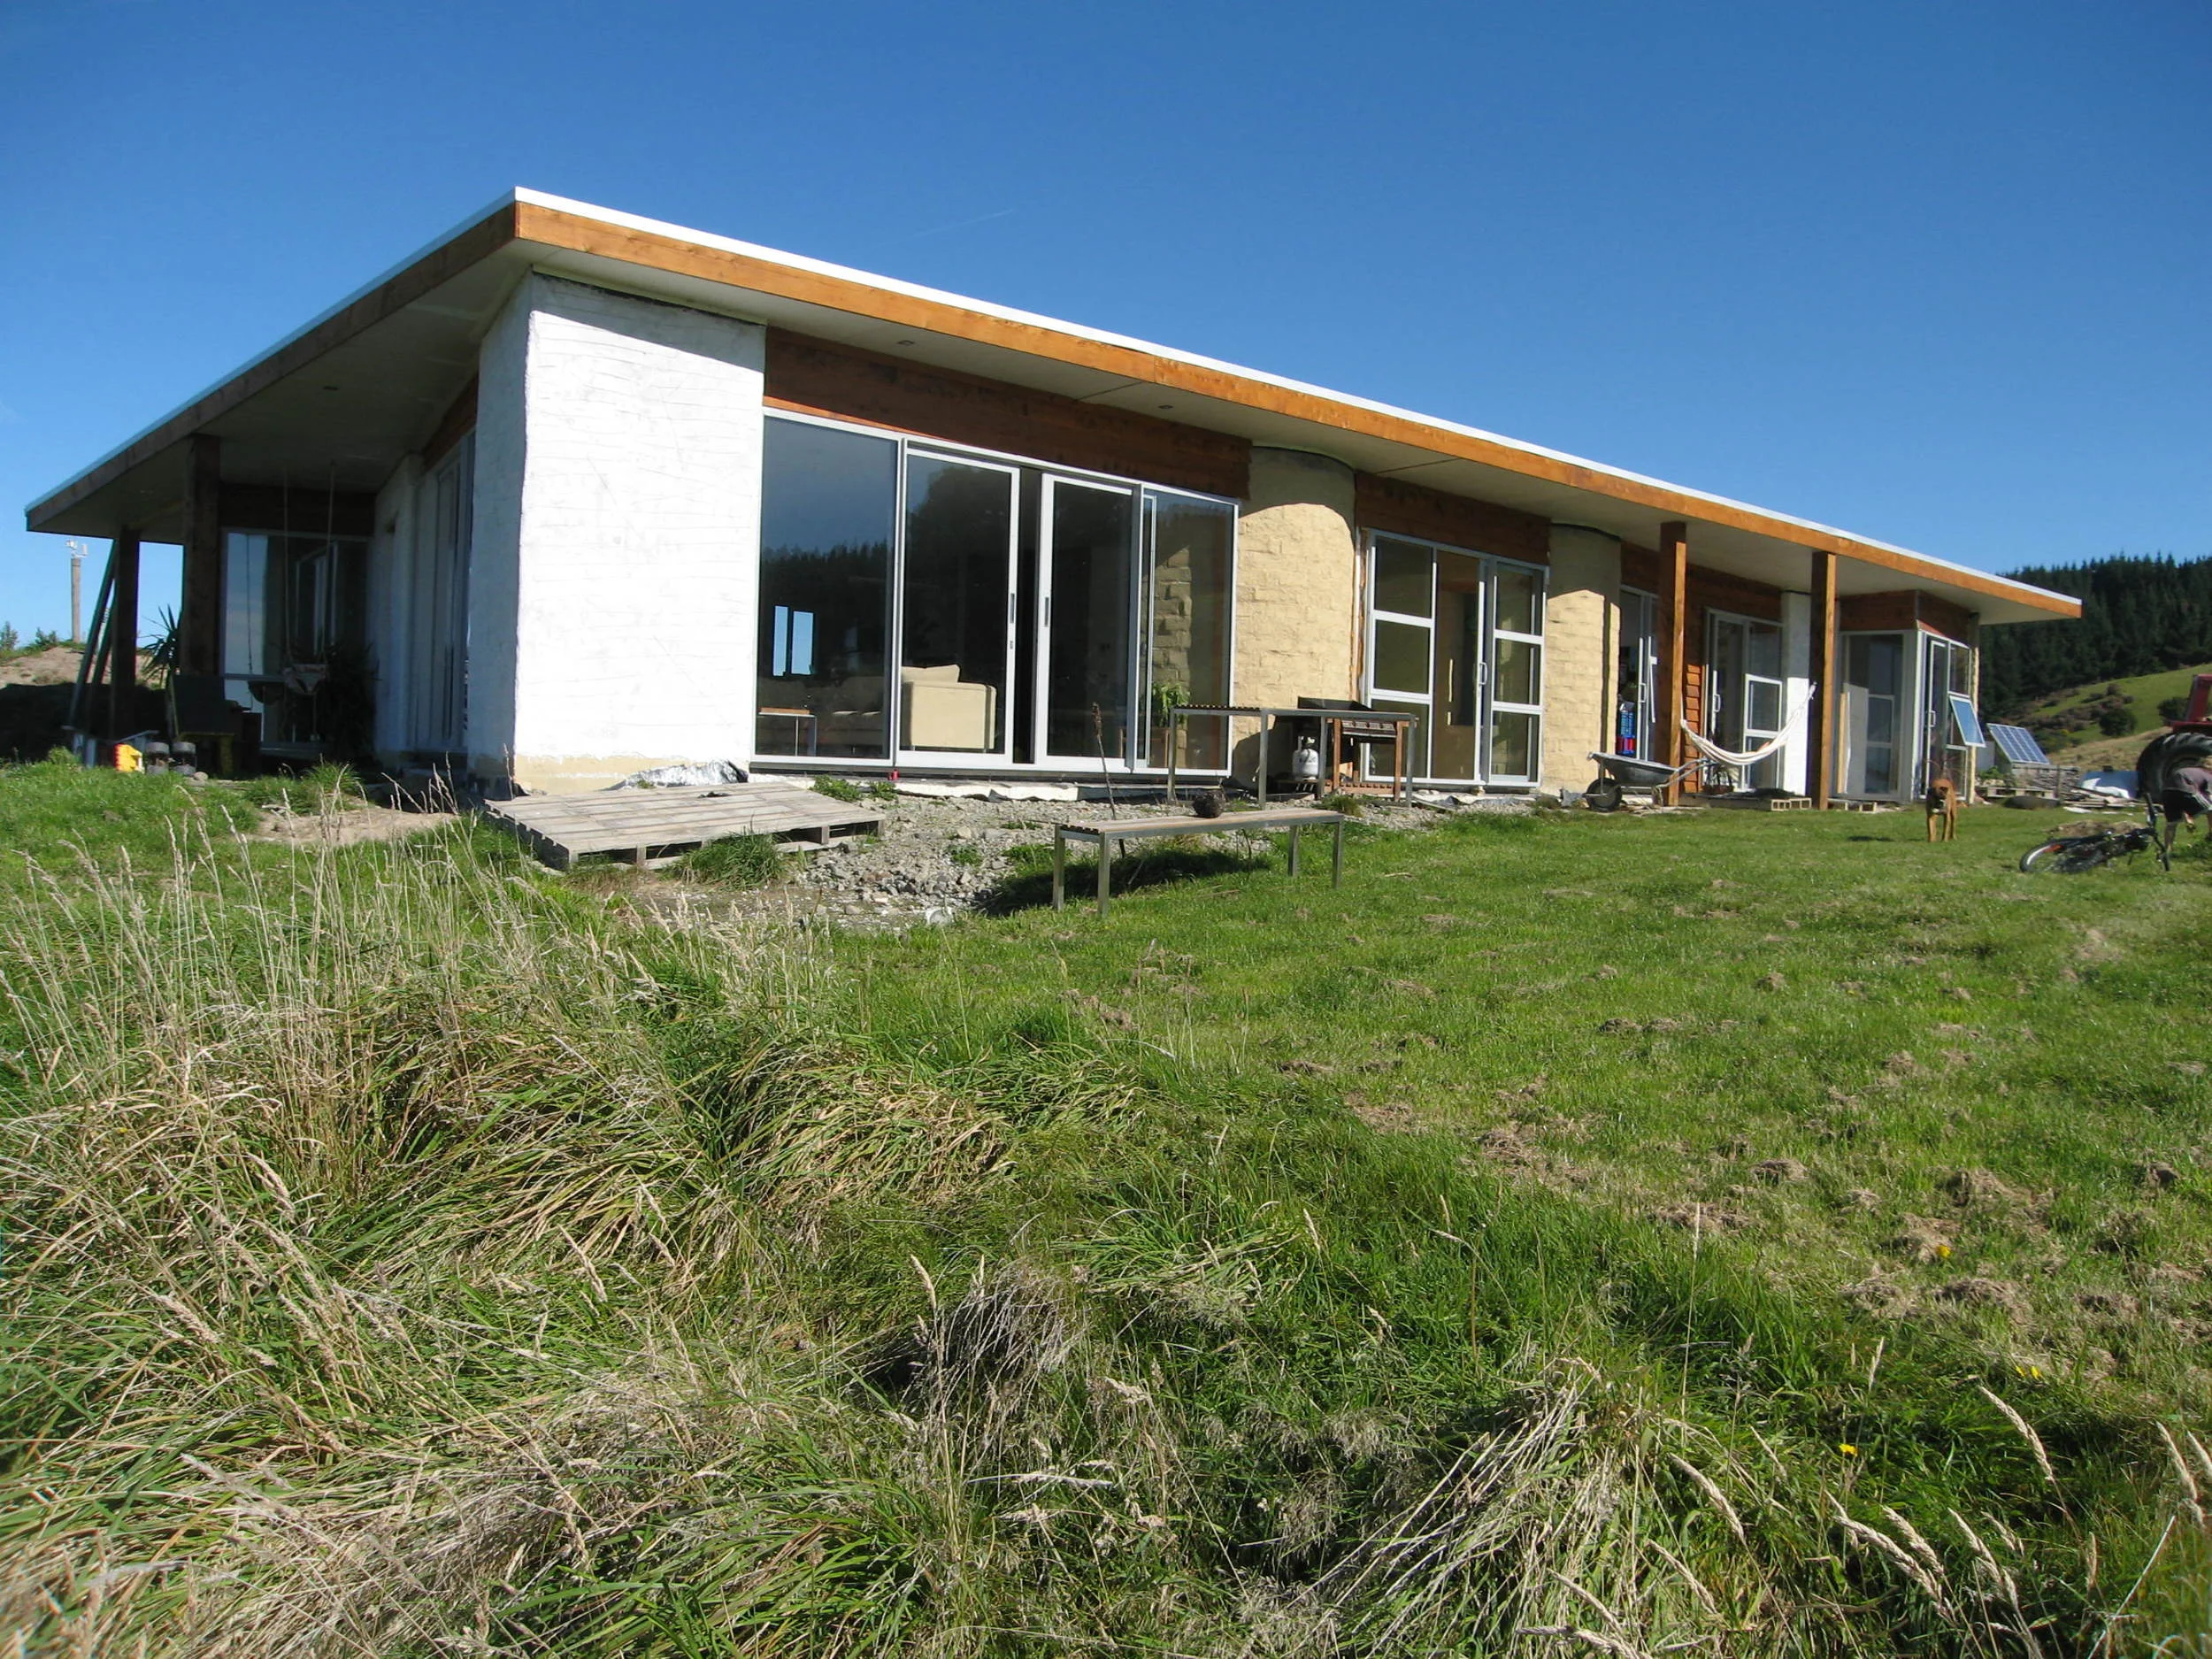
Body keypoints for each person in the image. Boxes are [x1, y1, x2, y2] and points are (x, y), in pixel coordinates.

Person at [2157, 763, 2212, 855]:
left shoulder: (2191, 770)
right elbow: (2210, 796)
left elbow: (2181, 801)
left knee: (2171, 824)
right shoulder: (2208, 776)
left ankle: (2167, 851)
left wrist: (2188, 820)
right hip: (2186, 789)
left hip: (2166, 791)